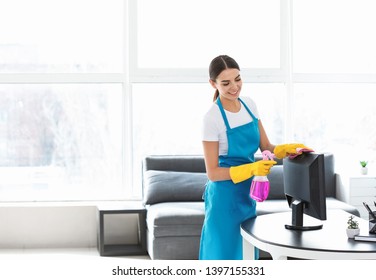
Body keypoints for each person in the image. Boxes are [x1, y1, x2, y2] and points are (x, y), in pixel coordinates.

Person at [199, 55, 309, 260]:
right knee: (223, 256)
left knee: (246, 255)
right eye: (226, 83)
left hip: (248, 193)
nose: (234, 87)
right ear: (212, 83)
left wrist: (287, 149)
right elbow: (212, 173)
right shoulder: (211, 118)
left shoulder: (249, 105)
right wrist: (252, 169)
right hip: (224, 198)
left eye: (238, 79)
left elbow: (266, 146)